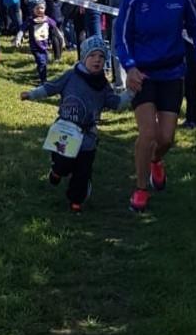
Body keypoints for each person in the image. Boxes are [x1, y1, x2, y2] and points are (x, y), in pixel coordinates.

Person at [115, 0, 196, 213]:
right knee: (148, 133)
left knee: (166, 138)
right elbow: (121, 37)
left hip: (172, 72)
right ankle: (140, 188)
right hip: (142, 74)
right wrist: (130, 67)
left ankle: (156, 160)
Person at [20, 35, 132, 212]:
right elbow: (51, 87)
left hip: (87, 135)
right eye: (92, 55)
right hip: (65, 131)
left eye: (101, 56)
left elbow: (116, 103)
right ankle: (57, 172)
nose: (97, 60)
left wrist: (132, 92)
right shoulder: (71, 76)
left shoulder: (103, 85)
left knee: (83, 170)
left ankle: (76, 200)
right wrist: (32, 94)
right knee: (63, 163)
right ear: (84, 57)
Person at [16, 0, 58, 84]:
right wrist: (18, 38)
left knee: (44, 61)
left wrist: (61, 38)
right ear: (33, 9)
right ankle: (43, 81)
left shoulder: (47, 19)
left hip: (45, 46)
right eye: (37, 8)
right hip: (35, 46)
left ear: (45, 9)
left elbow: (55, 28)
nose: (39, 10)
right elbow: (22, 30)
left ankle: (40, 73)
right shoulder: (30, 20)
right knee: (41, 62)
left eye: (42, 8)